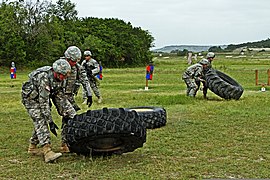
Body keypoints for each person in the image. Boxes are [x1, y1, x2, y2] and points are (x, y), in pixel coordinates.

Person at [21, 59, 75, 163]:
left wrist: (70, 113)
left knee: (69, 112)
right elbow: (43, 102)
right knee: (41, 119)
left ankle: (32, 147)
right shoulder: (44, 77)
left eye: (65, 76)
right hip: (32, 99)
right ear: (56, 72)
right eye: (63, 75)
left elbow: (60, 97)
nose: (64, 78)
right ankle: (47, 151)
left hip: (45, 96)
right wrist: (50, 121)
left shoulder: (61, 78)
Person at [58, 46, 93, 153]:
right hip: (57, 94)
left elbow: (84, 80)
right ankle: (35, 143)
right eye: (72, 61)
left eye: (76, 61)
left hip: (68, 95)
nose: (74, 63)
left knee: (68, 117)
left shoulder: (77, 67)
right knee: (45, 117)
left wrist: (89, 94)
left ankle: (65, 143)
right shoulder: (59, 65)